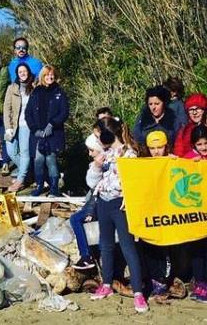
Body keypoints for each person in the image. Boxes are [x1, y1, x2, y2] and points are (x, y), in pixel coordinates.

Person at [85, 117, 148, 313]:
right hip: (103, 202)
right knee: (106, 245)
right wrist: (96, 166)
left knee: (128, 246)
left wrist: (130, 198)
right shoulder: (103, 154)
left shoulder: (129, 154)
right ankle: (106, 283)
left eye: (98, 135)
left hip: (120, 205)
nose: (96, 140)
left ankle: (138, 292)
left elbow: (135, 182)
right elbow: (91, 182)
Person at [136, 130, 188, 303]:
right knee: (149, 247)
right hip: (150, 212)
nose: (156, 151)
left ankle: (165, 281)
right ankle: (153, 280)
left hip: (168, 213)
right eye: (153, 148)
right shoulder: (143, 163)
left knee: (168, 250)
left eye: (160, 147)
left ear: (166, 146)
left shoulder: (173, 160)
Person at [182, 126, 207, 302]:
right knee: (196, 249)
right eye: (200, 144)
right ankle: (199, 281)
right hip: (194, 213)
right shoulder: (189, 160)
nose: (204, 147)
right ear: (194, 145)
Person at [25, 65, 69, 197]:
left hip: (53, 133)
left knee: (51, 160)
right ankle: (39, 185)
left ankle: (54, 187)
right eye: (46, 75)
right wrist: (34, 129)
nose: (49, 77)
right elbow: (28, 113)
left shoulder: (59, 92)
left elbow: (64, 111)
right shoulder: (36, 92)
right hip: (38, 133)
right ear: (42, 77)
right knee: (38, 160)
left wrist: (52, 124)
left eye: (52, 75)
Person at [69, 132, 101, 270]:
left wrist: (90, 210)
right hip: (98, 202)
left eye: (91, 150)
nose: (89, 153)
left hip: (103, 204)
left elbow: (98, 191)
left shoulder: (102, 163)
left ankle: (86, 255)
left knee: (76, 219)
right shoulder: (96, 164)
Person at [4, 63, 35, 192]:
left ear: (28, 72)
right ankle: (29, 173)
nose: (23, 74)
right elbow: (7, 108)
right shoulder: (12, 88)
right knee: (11, 151)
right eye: (20, 72)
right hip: (13, 125)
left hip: (26, 125)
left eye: (25, 71)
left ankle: (20, 180)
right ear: (17, 74)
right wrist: (8, 127)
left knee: (24, 152)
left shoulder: (34, 86)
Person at [173, 93, 207, 157]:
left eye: (198, 109)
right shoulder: (184, 131)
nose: (194, 113)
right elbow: (179, 151)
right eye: (191, 110)